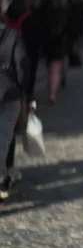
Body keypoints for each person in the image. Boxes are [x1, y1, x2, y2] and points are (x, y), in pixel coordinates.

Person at [0, 18, 30, 201]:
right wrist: (21, 89)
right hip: (8, 94)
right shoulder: (11, 34)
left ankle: (2, 178)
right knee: (3, 138)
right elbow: (22, 66)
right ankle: (2, 178)